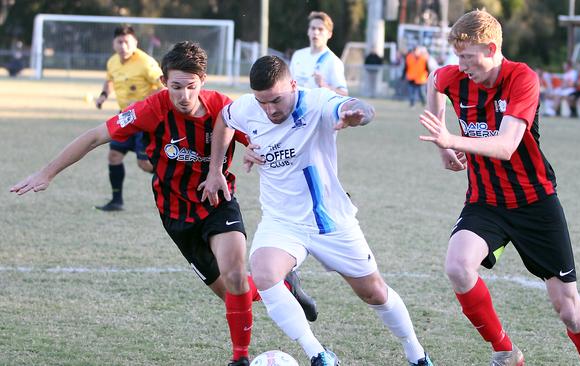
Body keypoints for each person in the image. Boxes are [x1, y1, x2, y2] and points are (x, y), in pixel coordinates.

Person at [10, 41, 316, 366]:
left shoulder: (223, 109)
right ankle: (282, 283)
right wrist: (47, 173)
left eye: (191, 86)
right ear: (163, 82)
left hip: (217, 202)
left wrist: (256, 147)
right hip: (176, 216)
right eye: (176, 87)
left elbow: (261, 135)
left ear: (203, 81)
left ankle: (239, 358)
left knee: (237, 275)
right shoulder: (151, 109)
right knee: (233, 295)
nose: (184, 95)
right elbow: (95, 136)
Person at [201, 55, 434, 366]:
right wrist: (216, 169)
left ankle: (416, 352)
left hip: (330, 221)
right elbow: (223, 120)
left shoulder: (317, 102)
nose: (270, 110)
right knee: (264, 271)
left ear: (294, 85)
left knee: (374, 292)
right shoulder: (247, 107)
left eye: (276, 100)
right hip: (282, 221)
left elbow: (362, 108)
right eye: (262, 102)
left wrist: (355, 114)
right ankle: (319, 355)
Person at [419, 10, 580, 365]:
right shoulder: (455, 77)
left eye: (468, 58)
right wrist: (444, 150)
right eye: (458, 57)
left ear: (490, 49)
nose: (462, 65)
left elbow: (506, 146)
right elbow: (434, 81)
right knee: (458, 266)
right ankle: (506, 352)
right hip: (486, 201)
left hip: (535, 203)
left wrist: (451, 138)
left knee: (569, 309)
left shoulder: (522, 78)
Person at [94, 26, 164, 211]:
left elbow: (162, 86)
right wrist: (103, 95)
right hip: (124, 117)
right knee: (114, 155)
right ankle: (117, 201)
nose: (123, 46)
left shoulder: (146, 62)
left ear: (135, 43)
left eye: (127, 42)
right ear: (114, 43)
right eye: (120, 42)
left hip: (144, 120)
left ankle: (174, 183)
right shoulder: (112, 62)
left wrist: (147, 105)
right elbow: (109, 79)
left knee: (144, 164)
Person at [289, 11, 348, 96]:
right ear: (308, 31)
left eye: (320, 29)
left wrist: (324, 85)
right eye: (313, 28)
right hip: (296, 108)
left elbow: (344, 94)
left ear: (329, 34)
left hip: (318, 109)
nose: (316, 32)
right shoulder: (298, 55)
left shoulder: (334, 61)